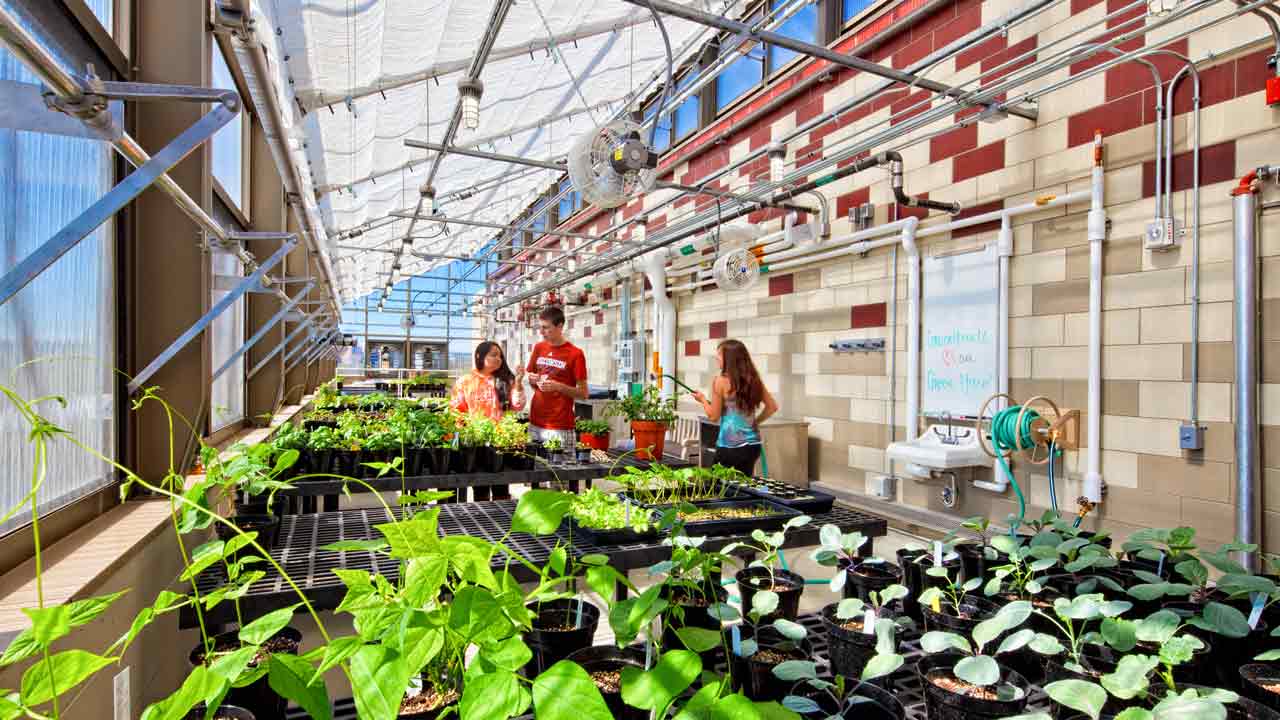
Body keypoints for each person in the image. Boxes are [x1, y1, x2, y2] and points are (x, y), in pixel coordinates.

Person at [691, 339, 779, 479]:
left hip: (729, 446)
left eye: (719, 355)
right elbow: (772, 407)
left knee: (719, 489)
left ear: (729, 359)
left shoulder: (720, 381)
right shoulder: (754, 380)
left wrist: (702, 400)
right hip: (752, 446)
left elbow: (713, 416)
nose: (716, 358)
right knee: (743, 488)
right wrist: (756, 422)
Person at [451, 341, 524, 501]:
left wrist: (518, 383)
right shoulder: (465, 381)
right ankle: (483, 519)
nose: (498, 359)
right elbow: (456, 412)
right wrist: (457, 442)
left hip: (500, 441)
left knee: (501, 485)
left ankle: (501, 519)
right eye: (493, 355)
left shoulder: (505, 379)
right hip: (476, 442)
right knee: (480, 486)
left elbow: (518, 406)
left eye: (500, 356)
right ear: (479, 356)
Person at [525, 306, 588, 475]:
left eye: (546, 328)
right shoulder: (539, 348)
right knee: (535, 476)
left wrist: (558, 386)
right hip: (535, 422)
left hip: (559, 425)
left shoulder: (575, 354)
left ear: (560, 326)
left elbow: (583, 393)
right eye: (541, 327)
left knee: (559, 479)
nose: (542, 332)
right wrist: (532, 380)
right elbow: (532, 381)